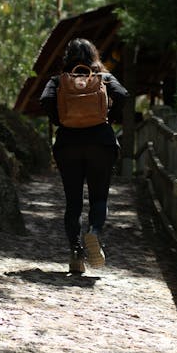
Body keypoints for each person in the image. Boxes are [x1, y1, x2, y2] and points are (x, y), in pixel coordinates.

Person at [40, 38, 128, 274]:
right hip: (101, 142)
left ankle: (76, 255)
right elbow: (123, 95)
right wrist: (107, 116)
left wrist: (61, 121)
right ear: (93, 55)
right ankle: (95, 233)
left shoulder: (59, 80)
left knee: (73, 203)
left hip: (68, 143)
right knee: (99, 199)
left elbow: (45, 100)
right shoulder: (103, 78)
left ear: (67, 56)